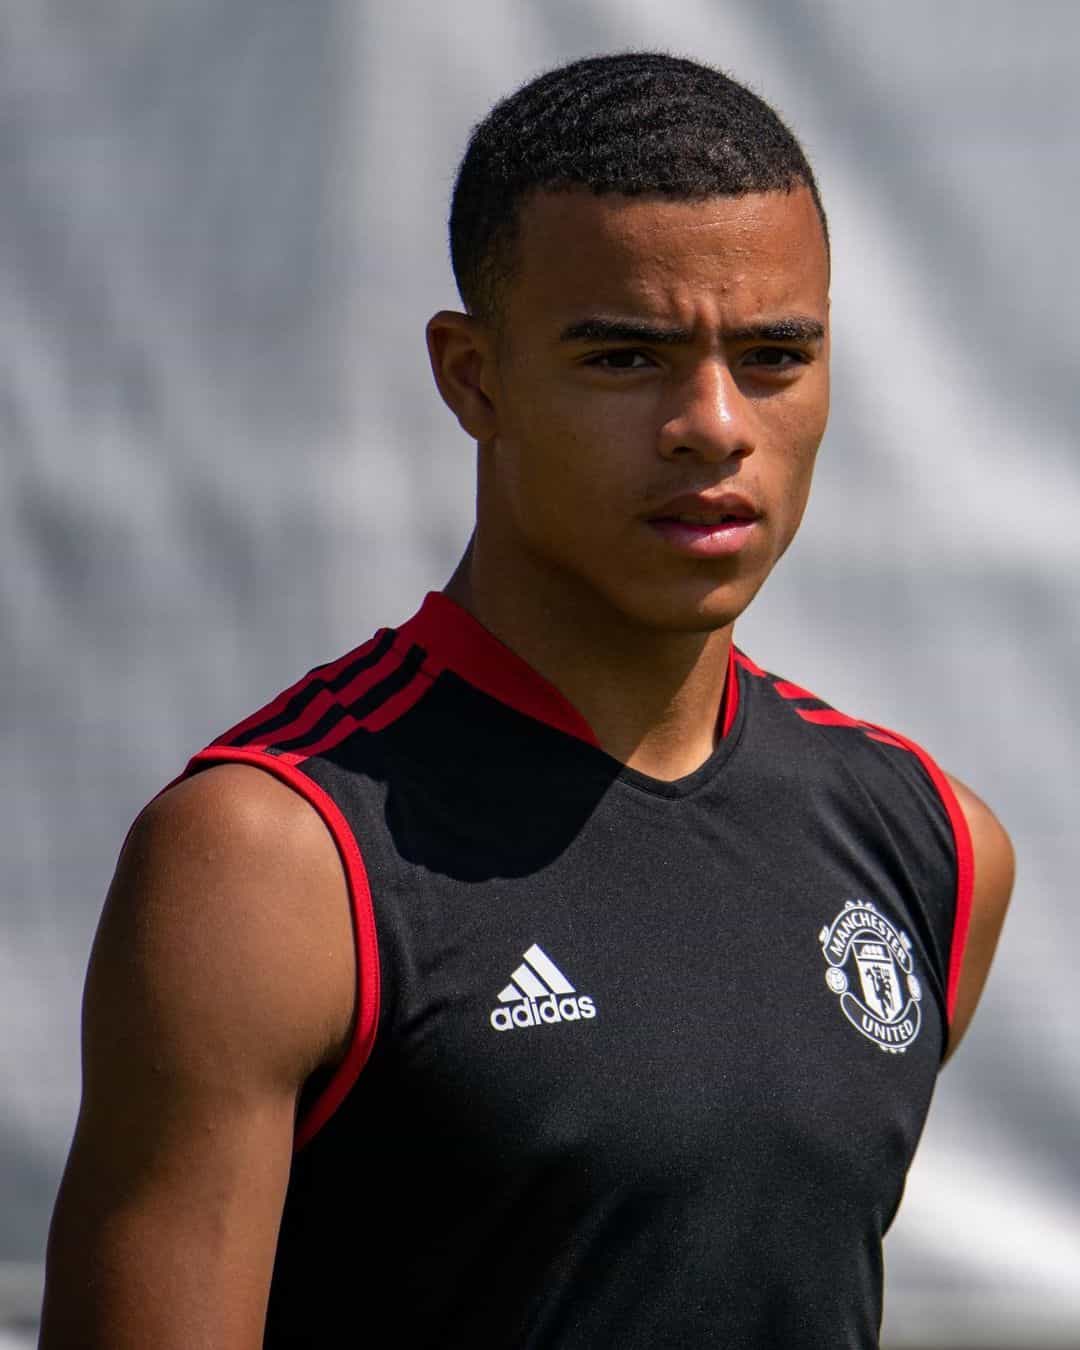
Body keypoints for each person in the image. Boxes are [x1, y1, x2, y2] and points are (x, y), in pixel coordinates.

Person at [40, 51, 1013, 1350]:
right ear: (473, 376)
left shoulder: (933, 842)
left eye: (776, 355)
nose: (715, 424)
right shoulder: (271, 859)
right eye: (625, 356)